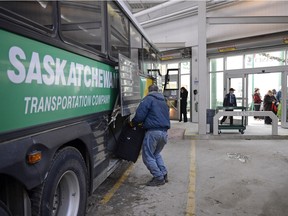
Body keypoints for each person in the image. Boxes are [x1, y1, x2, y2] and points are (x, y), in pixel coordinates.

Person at [131, 84, 170, 186]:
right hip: (164, 133)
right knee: (156, 154)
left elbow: (139, 115)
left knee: (147, 156)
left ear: (149, 90)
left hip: (153, 132)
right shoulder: (163, 101)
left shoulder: (148, 99)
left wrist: (133, 123)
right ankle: (164, 173)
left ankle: (158, 177)